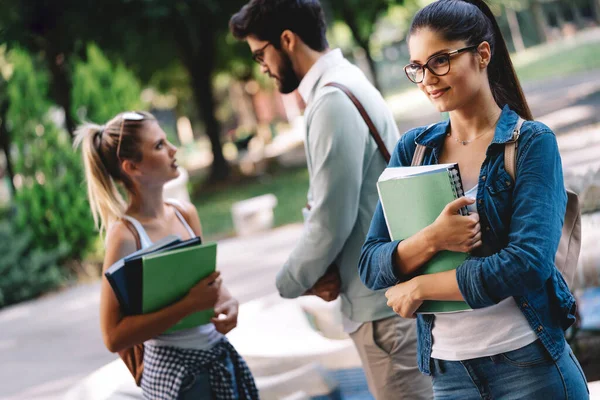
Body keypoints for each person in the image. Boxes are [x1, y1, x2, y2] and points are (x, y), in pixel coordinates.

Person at [358, 0, 589, 399]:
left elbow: (527, 264)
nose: (428, 78)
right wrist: (432, 239)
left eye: (441, 61)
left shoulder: (531, 143)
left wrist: (421, 287)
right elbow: (371, 264)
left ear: (482, 54)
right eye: (418, 67)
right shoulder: (413, 149)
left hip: (529, 368)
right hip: (449, 377)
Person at [230, 1, 433, 399]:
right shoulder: (345, 80)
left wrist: (288, 283)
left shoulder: (331, 100)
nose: (262, 68)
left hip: (383, 312)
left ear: (286, 40)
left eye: (260, 54)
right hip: (387, 299)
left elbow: (329, 222)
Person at [74, 111, 258, 400]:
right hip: (176, 381)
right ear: (133, 167)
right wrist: (188, 306)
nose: (173, 149)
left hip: (219, 362)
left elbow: (210, 285)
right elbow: (113, 336)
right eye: (159, 145)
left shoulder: (185, 214)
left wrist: (230, 302)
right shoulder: (125, 236)